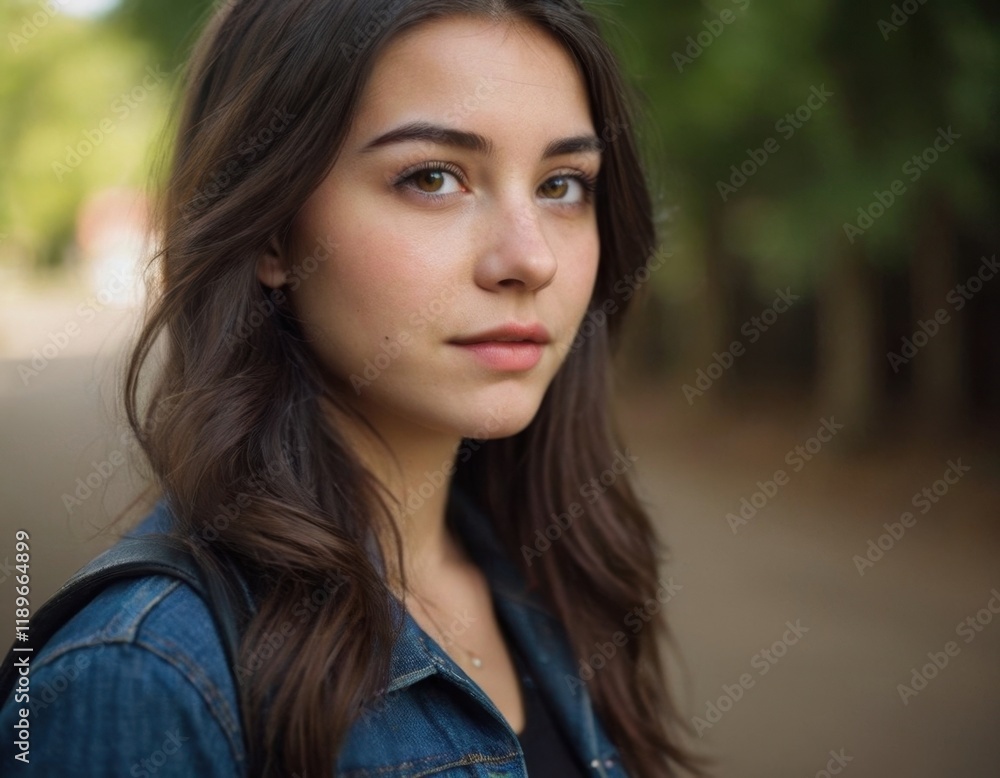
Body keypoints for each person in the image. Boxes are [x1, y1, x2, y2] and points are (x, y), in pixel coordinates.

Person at [0, 1, 701, 775]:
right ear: (270, 229)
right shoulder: (141, 678)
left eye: (563, 185)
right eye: (434, 178)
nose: (529, 259)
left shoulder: (560, 578)